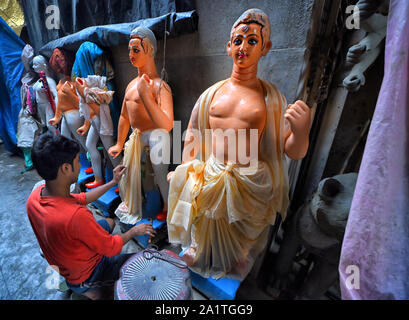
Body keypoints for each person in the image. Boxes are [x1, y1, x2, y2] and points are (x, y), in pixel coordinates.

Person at [167, 8, 312, 280]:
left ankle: (240, 254)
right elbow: (193, 132)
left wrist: (301, 131)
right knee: (205, 218)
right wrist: (185, 166)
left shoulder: (271, 99)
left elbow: (291, 150)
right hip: (212, 172)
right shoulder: (212, 94)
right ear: (228, 46)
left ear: (265, 47)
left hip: (250, 180)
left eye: (252, 41)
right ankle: (199, 249)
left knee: (242, 230)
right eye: (238, 40)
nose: (243, 47)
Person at [26, 133, 156, 299]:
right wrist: (134, 232)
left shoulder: (36, 197)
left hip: (64, 258)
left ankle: (81, 285)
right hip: (86, 276)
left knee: (109, 223)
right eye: (77, 161)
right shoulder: (75, 216)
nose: (80, 164)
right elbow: (111, 248)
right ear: (65, 169)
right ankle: (91, 290)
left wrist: (113, 182)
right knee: (145, 262)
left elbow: (82, 198)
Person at [108, 27, 174, 224]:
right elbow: (123, 117)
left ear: (150, 50)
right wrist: (119, 143)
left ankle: (168, 207)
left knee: (161, 173)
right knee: (138, 173)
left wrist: (146, 95)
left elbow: (167, 124)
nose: (130, 55)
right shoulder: (130, 86)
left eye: (136, 50)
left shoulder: (160, 86)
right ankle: (147, 202)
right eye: (130, 50)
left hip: (158, 135)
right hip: (137, 135)